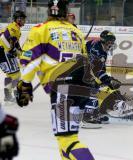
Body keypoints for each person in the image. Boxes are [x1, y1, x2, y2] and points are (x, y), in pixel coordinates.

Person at [16, 0, 98, 159]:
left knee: (67, 140)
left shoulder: (41, 29)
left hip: (63, 85)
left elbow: (30, 61)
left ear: (48, 12)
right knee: (67, 138)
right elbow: (86, 60)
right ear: (65, 12)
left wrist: (24, 84)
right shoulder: (76, 31)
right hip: (83, 85)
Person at [82, 30, 133, 128]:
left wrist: (108, 80)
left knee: (101, 88)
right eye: (109, 42)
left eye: (112, 42)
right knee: (94, 88)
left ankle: (95, 113)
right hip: (80, 71)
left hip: (87, 70)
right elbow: (96, 70)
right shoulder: (96, 50)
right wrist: (108, 80)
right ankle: (88, 118)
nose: (110, 45)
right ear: (103, 41)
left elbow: (101, 69)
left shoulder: (102, 50)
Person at [0, 10, 26, 104]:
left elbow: (15, 42)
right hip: (4, 52)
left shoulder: (16, 28)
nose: (24, 21)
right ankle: (16, 95)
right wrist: (12, 50)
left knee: (10, 75)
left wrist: (20, 52)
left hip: (3, 52)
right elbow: (3, 38)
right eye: (23, 19)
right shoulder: (13, 27)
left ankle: (7, 97)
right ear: (18, 19)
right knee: (16, 74)